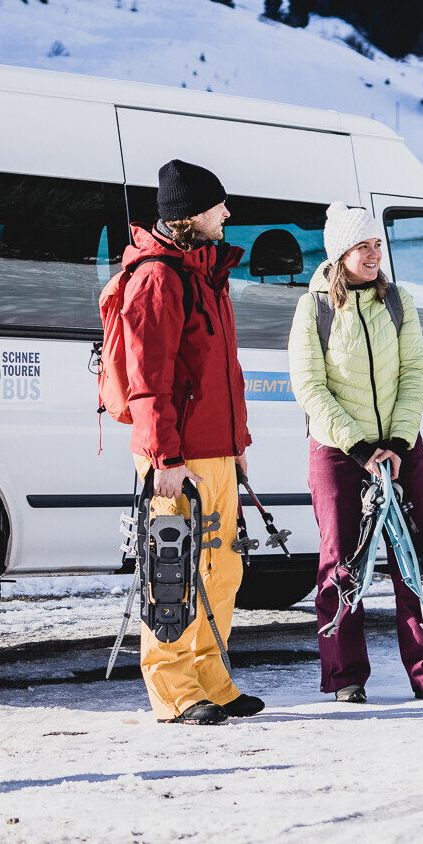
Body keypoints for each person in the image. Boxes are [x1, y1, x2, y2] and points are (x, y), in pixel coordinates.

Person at [288, 203, 423, 705]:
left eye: (377, 244)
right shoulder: (314, 308)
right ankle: (345, 677)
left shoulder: (398, 301)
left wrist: (399, 442)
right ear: (341, 252)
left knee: (417, 557)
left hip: (401, 449)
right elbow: (310, 388)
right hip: (340, 452)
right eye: (363, 245)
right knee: (342, 562)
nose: (373, 253)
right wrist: (360, 446)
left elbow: (414, 375)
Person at [121, 159, 262, 725]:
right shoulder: (159, 277)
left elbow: (223, 371)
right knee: (173, 571)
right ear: (190, 216)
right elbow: (147, 379)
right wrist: (164, 457)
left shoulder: (207, 271)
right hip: (176, 456)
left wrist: (238, 443)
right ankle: (174, 689)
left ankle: (210, 675)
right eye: (218, 205)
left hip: (215, 451)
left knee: (222, 569)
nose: (227, 213)